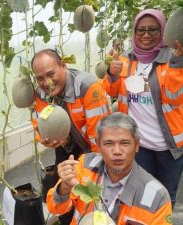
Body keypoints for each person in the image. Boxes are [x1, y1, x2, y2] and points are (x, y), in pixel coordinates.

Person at [103, 9, 183, 207]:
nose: (146, 35)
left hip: (171, 148)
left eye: (153, 30)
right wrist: (111, 74)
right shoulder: (126, 60)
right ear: (134, 32)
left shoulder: (177, 58)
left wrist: (178, 60)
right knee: (140, 194)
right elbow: (113, 91)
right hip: (140, 145)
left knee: (165, 196)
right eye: (141, 30)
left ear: (163, 32)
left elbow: (176, 97)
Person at [47, 112, 172, 225]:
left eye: (125, 143)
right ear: (98, 145)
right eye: (108, 143)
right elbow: (55, 208)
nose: (117, 151)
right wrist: (65, 186)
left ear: (137, 145)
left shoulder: (157, 197)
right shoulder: (84, 165)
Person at [32, 49, 109, 224]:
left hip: (92, 148)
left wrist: (93, 171)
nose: (47, 82)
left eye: (51, 74)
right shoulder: (41, 93)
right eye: (40, 78)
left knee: (89, 197)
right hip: (66, 148)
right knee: (62, 192)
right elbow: (39, 125)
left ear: (63, 66)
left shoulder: (88, 88)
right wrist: (45, 139)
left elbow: (101, 138)